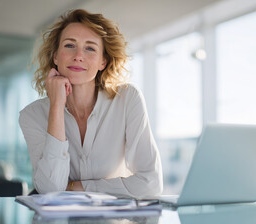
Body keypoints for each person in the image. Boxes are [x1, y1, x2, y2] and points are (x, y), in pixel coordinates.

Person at [19, 9, 163, 198]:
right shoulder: (32, 115)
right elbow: (51, 189)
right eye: (70, 45)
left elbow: (151, 184)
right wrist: (56, 106)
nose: (78, 55)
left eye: (90, 48)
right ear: (55, 56)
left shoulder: (128, 99)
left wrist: (75, 187)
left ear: (103, 61)